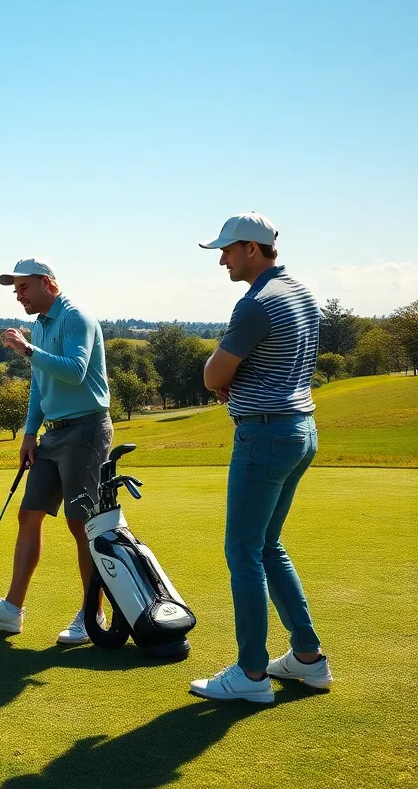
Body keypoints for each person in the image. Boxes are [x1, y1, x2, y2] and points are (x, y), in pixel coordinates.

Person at [188, 212, 331, 703]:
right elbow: (270, 364)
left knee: (243, 552)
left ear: (252, 248)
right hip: (301, 430)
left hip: (265, 436)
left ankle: (251, 674)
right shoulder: (301, 292)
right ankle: (308, 658)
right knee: (268, 547)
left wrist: (225, 374)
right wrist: (237, 375)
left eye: (227, 250)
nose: (222, 259)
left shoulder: (254, 303)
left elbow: (212, 375)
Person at [0, 258, 113, 644]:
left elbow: (75, 370)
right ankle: (11, 611)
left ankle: (92, 613)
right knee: (28, 514)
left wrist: (27, 350)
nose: (18, 295)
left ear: (47, 283)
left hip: (86, 431)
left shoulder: (75, 317)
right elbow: (39, 386)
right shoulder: (42, 325)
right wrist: (29, 433)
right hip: (53, 435)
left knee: (82, 525)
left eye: (24, 287)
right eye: (15, 289)